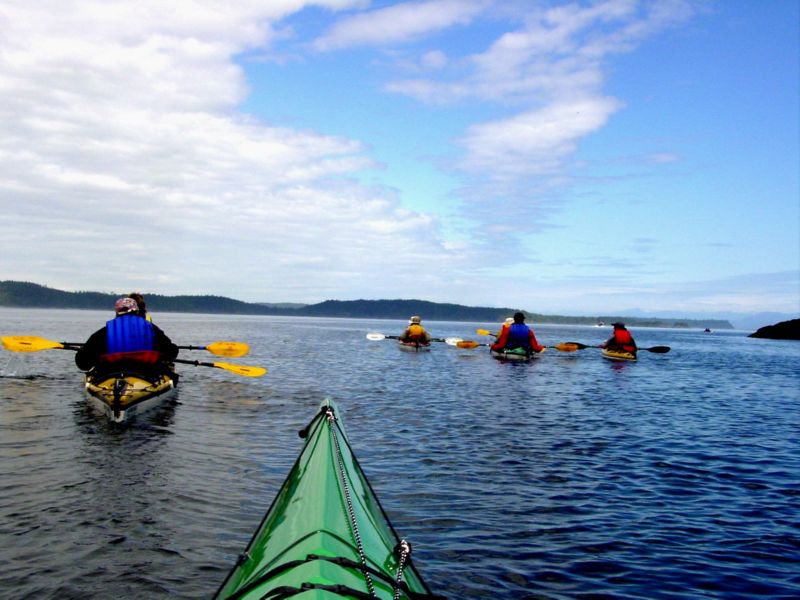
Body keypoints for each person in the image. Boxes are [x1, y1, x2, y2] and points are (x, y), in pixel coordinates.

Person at [75, 297, 179, 378]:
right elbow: (172, 352)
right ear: (137, 311)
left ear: (116, 312)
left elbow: (83, 363)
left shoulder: (104, 332)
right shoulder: (151, 328)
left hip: (111, 374)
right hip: (146, 372)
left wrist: (81, 352)